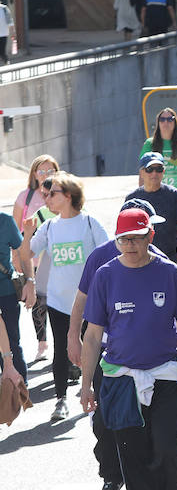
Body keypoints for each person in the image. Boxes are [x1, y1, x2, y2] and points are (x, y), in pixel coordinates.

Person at [78, 207, 177, 490]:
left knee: (166, 449)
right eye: (124, 238)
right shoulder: (105, 276)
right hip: (121, 380)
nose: (131, 244)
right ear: (117, 240)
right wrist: (87, 385)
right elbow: (93, 336)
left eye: (137, 237)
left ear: (150, 236)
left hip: (163, 375)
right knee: (133, 457)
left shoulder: (170, 274)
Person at [69, 199, 169, 490]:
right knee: (104, 420)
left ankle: (152, 483)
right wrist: (73, 336)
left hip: (150, 357)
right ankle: (112, 476)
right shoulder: (100, 259)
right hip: (107, 354)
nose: (141, 239)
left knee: (149, 423)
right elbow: (81, 301)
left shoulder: (160, 261)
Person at [18, 172, 107, 423]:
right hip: (58, 301)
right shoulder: (48, 226)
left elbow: (109, 253)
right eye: (45, 194)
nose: (46, 198)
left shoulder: (90, 223)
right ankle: (61, 399)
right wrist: (26, 234)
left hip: (90, 301)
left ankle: (96, 394)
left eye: (52, 193)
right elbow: (27, 254)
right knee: (61, 350)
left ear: (68, 195)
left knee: (93, 348)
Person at [11, 155, 56, 365]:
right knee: (38, 303)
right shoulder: (25, 197)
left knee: (60, 303)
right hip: (34, 260)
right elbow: (15, 233)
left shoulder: (63, 193)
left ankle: (65, 345)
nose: (45, 176)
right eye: (41, 171)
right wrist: (17, 260)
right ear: (34, 174)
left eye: (50, 171)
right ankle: (42, 343)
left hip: (57, 259)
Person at [126, 152, 177, 270]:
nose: (154, 173)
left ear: (163, 171)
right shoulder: (132, 199)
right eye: (149, 169)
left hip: (170, 260)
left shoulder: (174, 195)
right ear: (141, 172)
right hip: (140, 262)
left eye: (158, 169)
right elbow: (125, 233)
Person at [141, 108, 177, 200]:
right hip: (155, 192)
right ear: (158, 123)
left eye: (170, 119)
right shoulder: (149, 144)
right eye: (162, 119)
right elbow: (142, 171)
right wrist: (142, 192)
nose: (165, 122)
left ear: (175, 122)